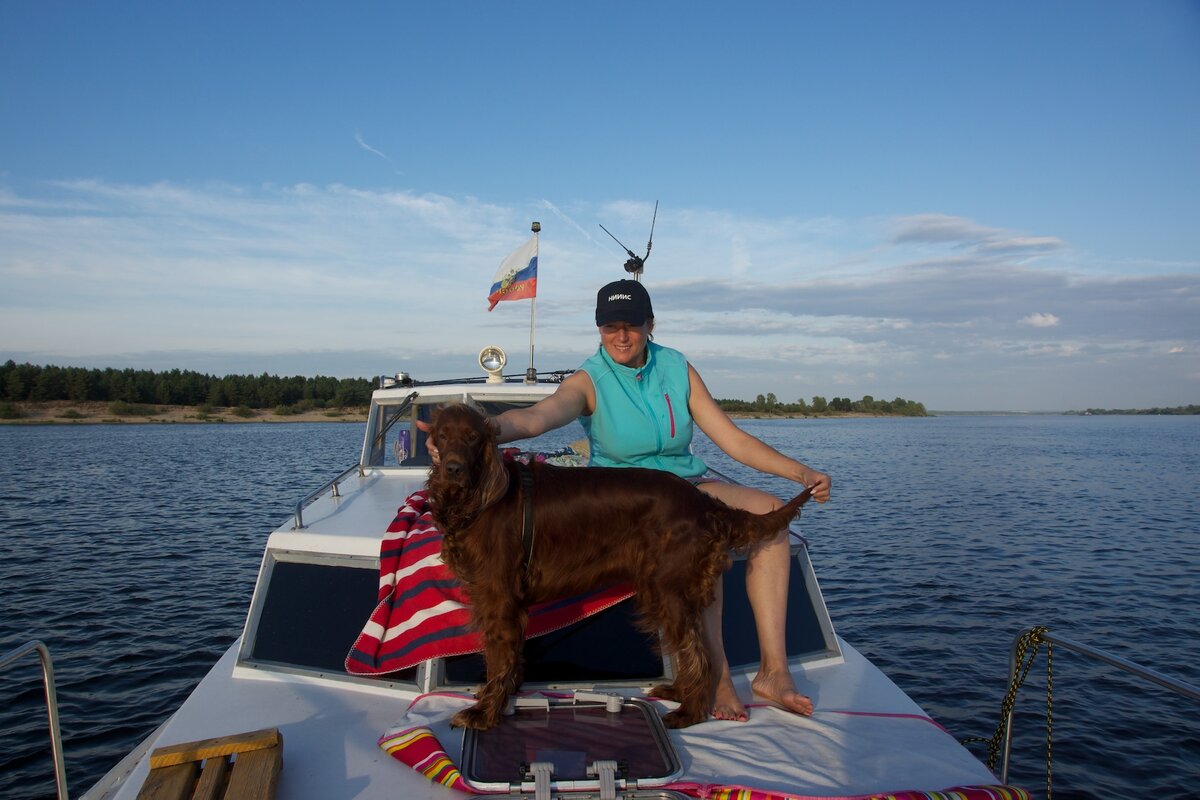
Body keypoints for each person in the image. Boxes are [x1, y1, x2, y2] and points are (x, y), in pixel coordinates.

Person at [437, 278, 831, 721]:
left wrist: (801, 472)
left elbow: (733, 440)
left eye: (631, 325)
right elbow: (537, 417)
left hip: (681, 487)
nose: (621, 336)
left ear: (650, 325)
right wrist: (481, 433)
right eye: (610, 327)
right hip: (624, 504)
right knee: (694, 541)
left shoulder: (676, 367)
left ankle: (773, 673)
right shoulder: (590, 378)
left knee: (771, 514)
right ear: (599, 330)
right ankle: (715, 679)